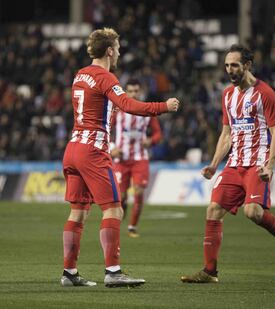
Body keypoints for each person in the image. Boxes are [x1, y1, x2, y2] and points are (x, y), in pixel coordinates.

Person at [61, 27, 179, 287]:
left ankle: (69, 273)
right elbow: (128, 105)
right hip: (93, 150)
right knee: (114, 208)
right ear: (110, 51)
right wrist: (163, 107)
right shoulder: (106, 77)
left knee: (78, 212)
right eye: (118, 49)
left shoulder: (80, 75)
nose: (119, 53)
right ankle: (113, 272)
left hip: (72, 148)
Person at [180, 44, 275, 284]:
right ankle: (209, 271)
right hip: (234, 164)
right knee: (213, 210)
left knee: (253, 212)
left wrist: (270, 166)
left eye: (234, 65)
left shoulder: (265, 93)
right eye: (226, 65)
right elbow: (227, 134)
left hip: (257, 164)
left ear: (247, 65)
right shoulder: (227, 95)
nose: (229, 70)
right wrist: (214, 164)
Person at [111, 78, 162, 238]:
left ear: (140, 92)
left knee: (139, 191)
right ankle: (119, 220)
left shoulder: (147, 112)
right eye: (130, 91)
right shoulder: (117, 111)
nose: (133, 94)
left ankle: (132, 226)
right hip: (122, 159)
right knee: (122, 196)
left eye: (136, 91)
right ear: (126, 92)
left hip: (140, 158)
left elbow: (158, 133)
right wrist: (112, 148)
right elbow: (104, 130)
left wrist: (151, 140)